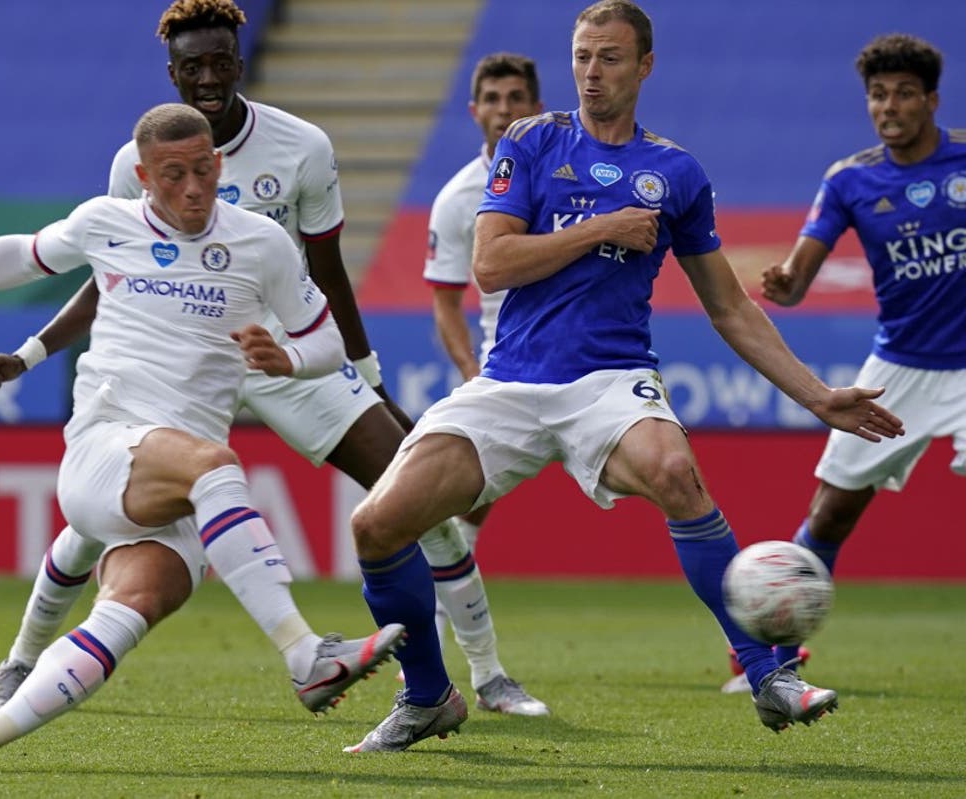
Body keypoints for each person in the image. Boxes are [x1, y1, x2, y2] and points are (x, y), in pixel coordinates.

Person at [342, 0, 907, 753]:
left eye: (608, 57)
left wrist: (818, 395)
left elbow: (730, 306)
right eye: (581, 55)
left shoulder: (674, 171)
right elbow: (491, 264)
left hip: (610, 381)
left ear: (644, 65)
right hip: (510, 381)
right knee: (375, 524)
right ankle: (426, 695)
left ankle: (768, 675)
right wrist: (604, 227)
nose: (590, 71)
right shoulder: (532, 141)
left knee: (676, 471)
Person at [0, 0, 547, 720]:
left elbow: (329, 273)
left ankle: (489, 674)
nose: (207, 78)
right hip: (178, 364)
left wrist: (367, 380)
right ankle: (19, 661)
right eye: (192, 66)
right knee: (94, 521)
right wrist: (29, 353)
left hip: (285, 356)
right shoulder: (135, 159)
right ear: (172, 72)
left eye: (219, 62)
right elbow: (103, 277)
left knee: (414, 493)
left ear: (240, 64)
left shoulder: (301, 145)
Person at [0, 104, 405, 772]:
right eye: (174, 175)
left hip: (176, 489)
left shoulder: (262, 244)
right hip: (105, 446)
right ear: (143, 176)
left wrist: (289, 358)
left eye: (204, 169)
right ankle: (304, 654)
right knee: (213, 463)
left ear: (219, 162)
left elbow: (325, 337)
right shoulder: (104, 223)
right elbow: (21, 256)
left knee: (128, 608)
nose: (194, 187)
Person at [720, 32, 965, 693]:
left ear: (932, 100)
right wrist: (784, 284)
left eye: (904, 94)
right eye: (879, 95)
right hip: (900, 366)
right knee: (831, 513)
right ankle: (774, 653)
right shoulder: (850, 179)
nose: (890, 106)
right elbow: (800, 276)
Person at [422, 52, 544, 631]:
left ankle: (753, 662)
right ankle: (426, 655)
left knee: (669, 480)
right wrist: (472, 368)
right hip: (510, 371)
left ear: (535, 107)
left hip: (590, 365)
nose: (503, 111)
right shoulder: (457, 200)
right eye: (492, 100)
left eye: (515, 98)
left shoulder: (566, 171)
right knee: (461, 510)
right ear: (474, 111)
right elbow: (445, 304)